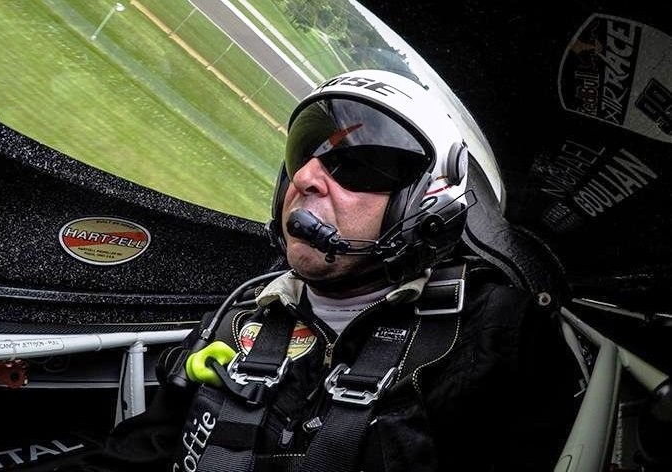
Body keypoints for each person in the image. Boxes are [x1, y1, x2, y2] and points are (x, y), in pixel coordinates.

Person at [66, 69, 577, 471]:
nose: (306, 176)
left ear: (425, 204)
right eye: (303, 154)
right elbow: (140, 454)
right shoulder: (242, 317)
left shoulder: (496, 333)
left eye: (356, 164)